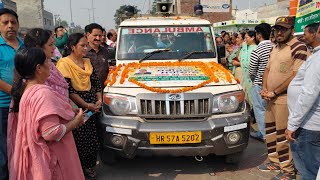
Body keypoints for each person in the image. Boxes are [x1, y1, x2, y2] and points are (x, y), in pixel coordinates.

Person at [9, 48, 85, 180]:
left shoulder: (28, 89)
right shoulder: (42, 93)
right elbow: (51, 133)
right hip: (54, 161)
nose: (51, 64)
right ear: (39, 68)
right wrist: (75, 122)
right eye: (48, 61)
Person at [258, 16, 309, 180]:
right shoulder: (275, 47)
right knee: (271, 133)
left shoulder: (298, 47)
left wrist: (275, 92)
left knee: (283, 136)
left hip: (284, 99)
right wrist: (265, 88)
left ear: (291, 30)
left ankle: (288, 170)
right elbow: (267, 70)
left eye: (283, 29)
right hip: (270, 98)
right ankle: (274, 162)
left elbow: (296, 76)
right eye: (277, 29)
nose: (279, 32)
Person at [57, 33, 102, 179]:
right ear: (72, 47)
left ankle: (89, 166)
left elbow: (96, 83)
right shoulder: (64, 63)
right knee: (80, 139)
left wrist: (99, 100)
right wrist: (86, 105)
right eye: (82, 45)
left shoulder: (87, 62)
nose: (85, 48)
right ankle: (78, 169)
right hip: (76, 106)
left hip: (93, 105)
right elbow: (69, 90)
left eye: (86, 45)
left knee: (94, 138)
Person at [286, 22, 320, 180]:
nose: (303, 36)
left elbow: (309, 94)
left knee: (308, 170)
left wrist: (292, 124)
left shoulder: (317, 60)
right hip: (311, 125)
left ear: (316, 33)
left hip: (308, 126)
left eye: (307, 32)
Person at [0, 8, 23, 180]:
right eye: (5, 22)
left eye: (13, 22)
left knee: (21, 147)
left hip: (25, 105)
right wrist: (16, 93)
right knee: (4, 151)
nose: (10, 26)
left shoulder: (25, 46)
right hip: (3, 107)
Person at [22, 28, 69, 100]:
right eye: (50, 45)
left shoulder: (51, 65)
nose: (54, 48)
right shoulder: (34, 74)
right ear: (38, 48)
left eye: (53, 44)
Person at [249, 23, 273, 141]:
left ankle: (264, 134)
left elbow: (252, 70)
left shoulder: (258, 50)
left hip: (259, 84)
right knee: (270, 111)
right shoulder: (275, 47)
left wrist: (254, 80)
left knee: (260, 110)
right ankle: (270, 133)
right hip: (273, 85)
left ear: (258, 35)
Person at [85, 23, 109, 88]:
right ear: (88, 35)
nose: (98, 38)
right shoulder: (83, 52)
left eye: (100, 36)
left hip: (104, 88)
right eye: (95, 35)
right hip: (88, 91)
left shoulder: (105, 51)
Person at [240, 30, 257, 105]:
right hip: (245, 77)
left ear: (253, 38)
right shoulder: (245, 47)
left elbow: (248, 63)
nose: (245, 40)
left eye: (246, 38)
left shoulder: (255, 48)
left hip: (252, 78)